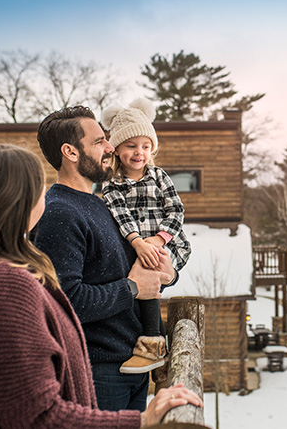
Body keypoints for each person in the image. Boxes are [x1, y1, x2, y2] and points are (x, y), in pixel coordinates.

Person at [0, 144, 202, 427]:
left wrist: (165, 275)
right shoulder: (4, 287)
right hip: (105, 370)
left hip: (128, 365)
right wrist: (142, 421)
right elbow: (39, 417)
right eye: (38, 188)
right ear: (22, 202)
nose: (108, 148)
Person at [33, 105, 177, 412]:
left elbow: (129, 274)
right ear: (70, 152)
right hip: (97, 373)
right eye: (99, 141)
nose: (110, 147)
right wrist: (132, 288)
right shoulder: (59, 213)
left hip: (133, 368)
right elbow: (64, 302)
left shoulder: (102, 205)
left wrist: (167, 275)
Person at [101, 98, 191, 374]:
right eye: (130, 146)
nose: (139, 152)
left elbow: (175, 210)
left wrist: (158, 239)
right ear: (116, 149)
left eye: (145, 146)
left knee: (147, 271)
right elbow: (120, 216)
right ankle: (150, 341)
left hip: (169, 243)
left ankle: (153, 344)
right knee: (141, 276)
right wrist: (139, 242)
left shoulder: (160, 176)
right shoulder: (111, 185)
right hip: (137, 247)